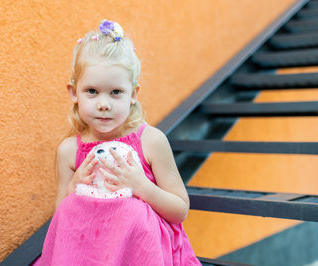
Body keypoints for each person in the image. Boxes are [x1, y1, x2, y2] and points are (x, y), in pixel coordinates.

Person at [35, 19, 201, 265]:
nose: (104, 103)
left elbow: (180, 210)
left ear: (133, 94)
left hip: (141, 251)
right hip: (89, 252)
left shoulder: (151, 141)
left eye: (116, 92)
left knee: (130, 210)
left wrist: (141, 187)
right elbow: (61, 217)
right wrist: (72, 190)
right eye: (92, 91)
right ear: (73, 92)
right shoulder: (69, 151)